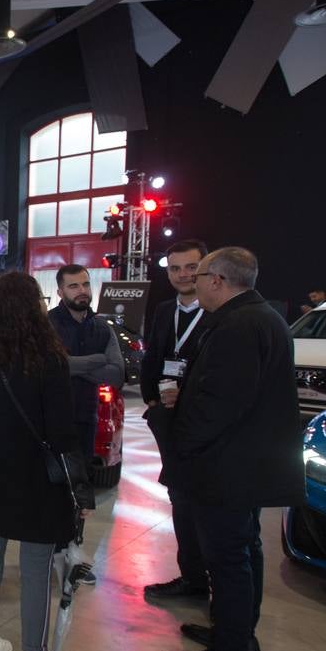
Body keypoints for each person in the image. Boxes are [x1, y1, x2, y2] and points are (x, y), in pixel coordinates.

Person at [160, 248, 303, 651]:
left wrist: (180, 440)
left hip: (228, 466)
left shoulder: (240, 326)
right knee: (242, 553)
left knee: (228, 559)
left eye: (198, 274)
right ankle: (236, 635)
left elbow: (220, 404)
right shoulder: (260, 317)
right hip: (244, 463)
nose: (192, 282)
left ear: (218, 280)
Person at [0, 272, 95, 651]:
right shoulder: (48, 359)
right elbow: (62, 431)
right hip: (36, 480)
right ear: (36, 306)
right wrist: (81, 488)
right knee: (36, 570)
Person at [140, 241, 214, 602]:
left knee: (203, 504)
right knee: (179, 498)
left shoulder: (219, 314)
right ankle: (193, 579)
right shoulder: (164, 310)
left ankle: (208, 581)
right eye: (175, 268)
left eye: (191, 267)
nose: (183, 274)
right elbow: (153, 354)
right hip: (167, 417)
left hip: (203, 421)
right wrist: (152, 399)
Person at [47, 264, 124, 585]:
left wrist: (73, 366)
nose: (81, 291)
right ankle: (53, 552)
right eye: (73, 286)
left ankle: (73, 552)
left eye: (85, 284)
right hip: (53, 420)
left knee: (82, 491)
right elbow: (48, 367)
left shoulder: (101, 328)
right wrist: (94, 363)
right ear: (61, 291)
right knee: (54, 491)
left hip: (87, 419)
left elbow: (116, 373)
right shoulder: (47, 325)